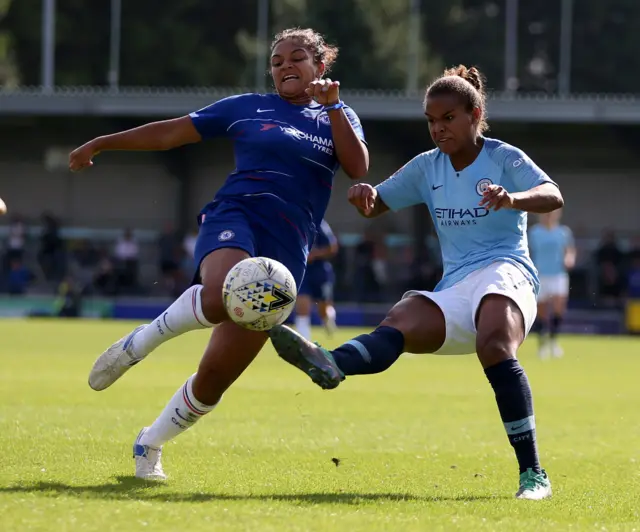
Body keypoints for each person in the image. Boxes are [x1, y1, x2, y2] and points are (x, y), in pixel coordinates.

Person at [68, 27, 368, 481]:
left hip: (289, 246)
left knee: (215, 379)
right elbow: (170, 134)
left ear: (321, 66)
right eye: (277, 60)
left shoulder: (338, 115)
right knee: (222, 293)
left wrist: (335, 106)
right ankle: (138, 344)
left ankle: (149, 444)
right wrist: (102, 142)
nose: (285, 65)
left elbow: (358, 166)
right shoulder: (246, 107)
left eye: (298, 57)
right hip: (236, 214)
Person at [269, 65, 563, 500]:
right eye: (430, 120)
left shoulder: (502, 157)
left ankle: (533, 475)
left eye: (448, 118)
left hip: (507, 272)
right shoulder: (428, 167)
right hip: (456, 286)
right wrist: (365, 197)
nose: (438, 128)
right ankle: (331, 362)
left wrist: (512, 197)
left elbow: (552, 194)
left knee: (495, 345)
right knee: (401, 319)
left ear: (474, 113)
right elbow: (377, 205)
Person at [528, 210, 575, 358]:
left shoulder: (563, 232)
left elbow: (570, 250)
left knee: (558, 308)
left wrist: (569, 258)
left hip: (558, 275)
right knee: (541, 311)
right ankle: (542, 343)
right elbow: (528, 251)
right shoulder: (534, 232)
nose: (548, 216)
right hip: (540, 275)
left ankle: (554, 341)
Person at [294, 219, 338, 340]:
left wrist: (313, 254)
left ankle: (328, 322)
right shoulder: (291, 223)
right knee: (302, 305)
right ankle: (303, 342)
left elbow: (332, 247)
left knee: (324, 309)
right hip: (302, 271)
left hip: (320, 272)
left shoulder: (319, 224)